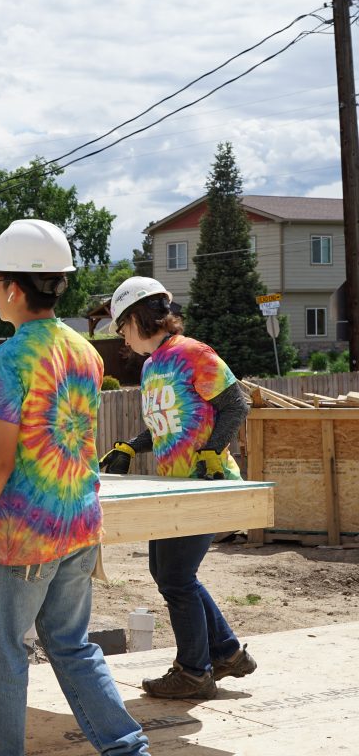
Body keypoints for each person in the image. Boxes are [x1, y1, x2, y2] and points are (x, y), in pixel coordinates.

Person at [0, 219, 149, 756]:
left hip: (23, 538)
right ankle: (127, 747)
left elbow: (0, 462)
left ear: (11, 287)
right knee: (72, 647)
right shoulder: (85, 351)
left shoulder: (6, 361)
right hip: (79, 524)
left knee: (1, 657)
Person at [100, 276, 256, 700]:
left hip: (204, 484)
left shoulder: (192, 353)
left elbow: (236, 403)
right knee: (168, 574)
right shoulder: (154, 366)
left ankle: (193, 672)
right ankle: (223, 652)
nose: (123, 338)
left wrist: (211, 451)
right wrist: (131, 446)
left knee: (175, 577)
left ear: (136, 317)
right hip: (174, 486)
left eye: (121, 327)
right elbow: (166, 425)